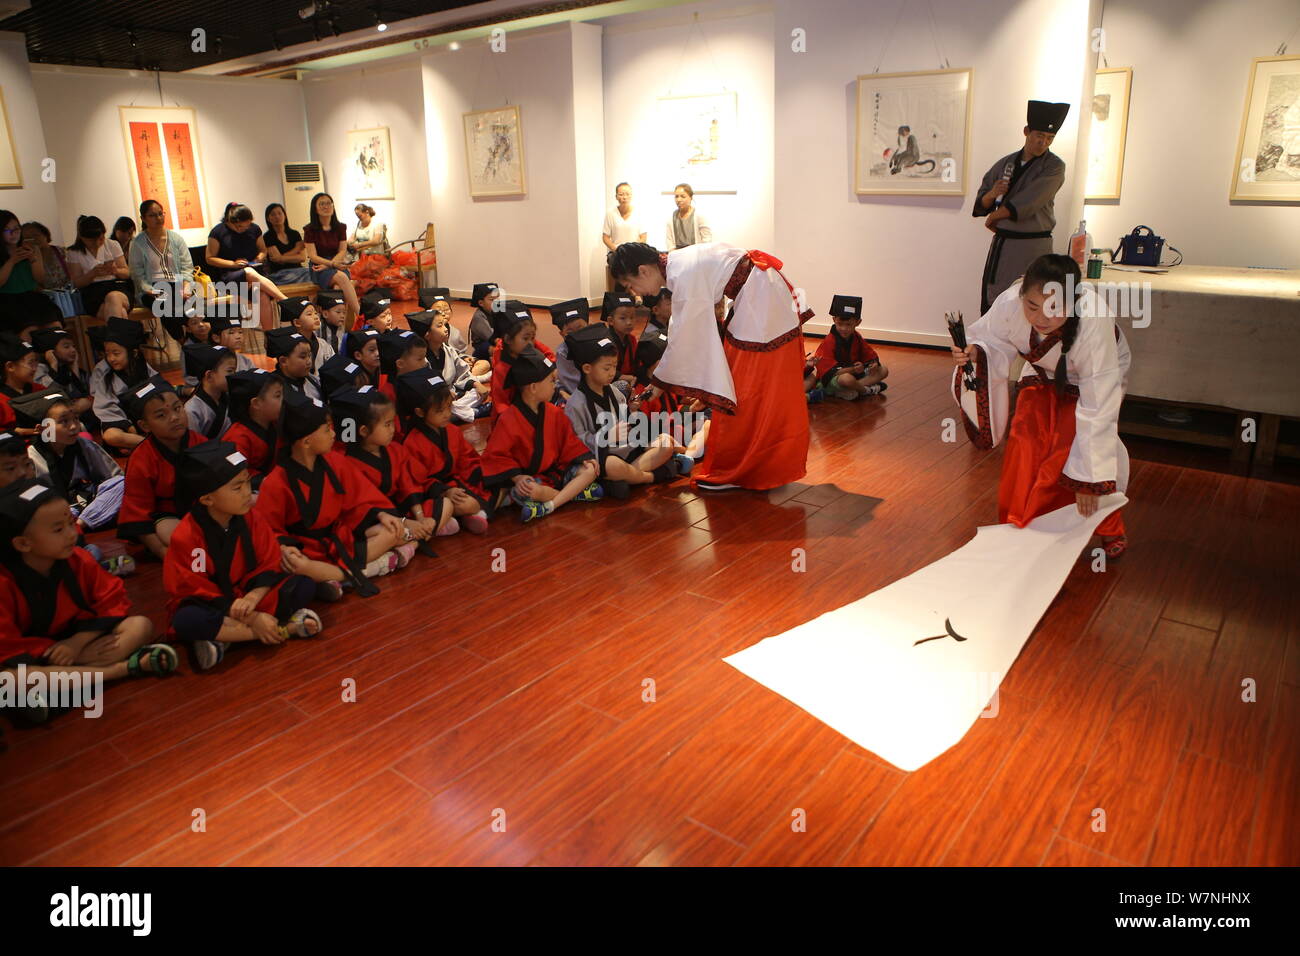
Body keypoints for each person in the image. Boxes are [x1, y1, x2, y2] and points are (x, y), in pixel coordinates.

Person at [950, 254, 1130, 557]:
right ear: (1022, 294)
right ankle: (1020, 523)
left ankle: (1107, 527)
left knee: (1065, 449)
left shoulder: (1093, 319)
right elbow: (988, 340)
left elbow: (1099, 403)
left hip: (1094, 379)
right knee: (1025, 441)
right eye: (1032, 306)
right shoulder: (1010, 302)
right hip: (1042, 371)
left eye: (1054, 309)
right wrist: (973, 353)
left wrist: (1087, 478)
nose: (1040, 318)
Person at [609, 240, 811, 492]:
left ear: (643, 270)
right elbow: (684, 333)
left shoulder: (682, 273)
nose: (636, 293)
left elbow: (685, 336)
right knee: (747, 386)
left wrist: (659, 384)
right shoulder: (679, 265)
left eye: (631, 285)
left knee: (748, 389)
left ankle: (736, 470)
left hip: (761, 300)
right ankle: (750, 465)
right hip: (760, 294)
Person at [0, 479, 175, 727]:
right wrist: (57, 652)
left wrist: (77, 643)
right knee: (10, 680)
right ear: (23, 543)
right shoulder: (4, 581)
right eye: (58, 530)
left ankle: (60, 690)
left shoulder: (79, 559)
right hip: (37, 656)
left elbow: (112, 599)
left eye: (71, 523)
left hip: (78, 643)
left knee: (140, 626)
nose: (73, 534)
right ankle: (124, 668)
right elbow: (6, 644)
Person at [165, 440, 322, 672]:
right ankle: (282, 629)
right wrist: (252, 619)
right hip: (216, 603)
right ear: (207, 499)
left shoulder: (251, 518)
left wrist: (252, 600)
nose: (248, 493)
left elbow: (268, 561)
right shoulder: (188, 536)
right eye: (237, 488)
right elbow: (193, 587)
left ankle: (225, 639)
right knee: (187, 619)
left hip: (247, 597)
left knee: (304, 585)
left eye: (248, 482)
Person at [254, 390, 410, 600]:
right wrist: (285, 548)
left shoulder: (335, 461)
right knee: (297, 565)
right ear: (306, 441)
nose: (334, 434)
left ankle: (335, 577)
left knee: (391, 530)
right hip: (306, 549)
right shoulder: (275, 482)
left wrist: (383, 515)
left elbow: (360, 496)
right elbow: (268, 528)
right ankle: (368, 569)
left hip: (340, 538)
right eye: (327, 429)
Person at [480, 347, 603, 522]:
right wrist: (518, 476)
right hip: (531, 479)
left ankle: (550, 503)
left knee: (590, 469)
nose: (555, 386)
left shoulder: (554, 412)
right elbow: (496, 456)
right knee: (529, 490)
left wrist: (583, 457)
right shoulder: (509, 418)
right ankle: (571, 494)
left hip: (554, 472)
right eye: (552, 381)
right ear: (533, 387)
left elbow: (569, 442)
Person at [563, 324, 685, 499]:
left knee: (665, 442)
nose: (613, 372)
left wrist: (631, 412)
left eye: (614, 366)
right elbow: (577, 442)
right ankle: (650, 476)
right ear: (587, 368)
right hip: (606, 458)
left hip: (629, 452)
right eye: (607, 368)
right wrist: (605, 436)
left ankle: (628, 478)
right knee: (612, 465)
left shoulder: (615, 392)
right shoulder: (576, 404)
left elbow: (630, 428)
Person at [973, 100, 1070, 314]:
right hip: (1003, 244)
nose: (1043, 143)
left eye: (1049, 138)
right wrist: (992, 195)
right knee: (995, 300)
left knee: (1031, 302)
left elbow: (1031, 201)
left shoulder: (1054, 166)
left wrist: (995, 216)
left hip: (1033, 246)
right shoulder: (1005, 163)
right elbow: (981, 204)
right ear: (1026, 131)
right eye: (1039, 136)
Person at [330, 385, 444, 549]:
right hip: (375, 520)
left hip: (398, 511)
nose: (393, 429)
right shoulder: (347, 461)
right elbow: (361, 508)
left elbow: (408, 485)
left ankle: (412, 540)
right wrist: (404, 522)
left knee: (445, 505)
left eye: (393, 423)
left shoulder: (395, 449)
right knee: (387, 532)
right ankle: (414, 541)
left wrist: (419, 518)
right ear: (363, 430)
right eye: (387, 424)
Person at [115, 376, 205, 561]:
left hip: (204, 510)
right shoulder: (142, 458)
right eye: (161, 415)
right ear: (144, 425)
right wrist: (165, 554)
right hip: (166, 516)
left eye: (177, 408)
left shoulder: (200, 443)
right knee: (178, 538)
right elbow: (137, 511)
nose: (174, 417)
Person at [11, 390, 123, 534]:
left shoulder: (84, 445)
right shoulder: (31, 457)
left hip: (88, 505)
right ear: (43, 429)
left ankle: (79, 524)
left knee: (122, 484)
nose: (73, 426)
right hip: (57, 509)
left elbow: (113, 476)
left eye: (75, 418)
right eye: (64, 421)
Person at [395, 371, 491, 533]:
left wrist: (477, 476)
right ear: (419, 412)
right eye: (440, 411)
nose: (448, 414)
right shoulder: (412, 442)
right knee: (470, 503)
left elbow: (467, 459)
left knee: (491, 481)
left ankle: (455, 518)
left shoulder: (452, 431)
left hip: (454, 483)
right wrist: (445, 491)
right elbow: (416, 482)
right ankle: (456, 516)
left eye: (449, 407)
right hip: (431, 494)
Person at [87, 317, 159, 452]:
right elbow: (106, 409)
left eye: (116, 353)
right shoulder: (106, 379)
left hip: (146, 419)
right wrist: (128, 426)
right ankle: (153, 445)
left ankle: (140, 445)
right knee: (111, 436)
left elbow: (158, 391)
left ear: (134, 353)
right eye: (108, 354)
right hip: (122, 423)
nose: (111, 358)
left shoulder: (145, 369)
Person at [406, 307, 490, 423]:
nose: (446, 329)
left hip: (454, 396)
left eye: (445, 325)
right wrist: (444, 393)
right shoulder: (420, 359)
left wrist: (475, 384)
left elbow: (463, 373)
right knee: (441, 412)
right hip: (435, 401)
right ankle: (473, 412)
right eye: (439, 326)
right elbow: (425, 388)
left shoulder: (448, 350)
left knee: (478, 392)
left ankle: (459, 411)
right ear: (427, 335)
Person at [205, 203, 289, 311]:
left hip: (256, 272)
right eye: (239, 226)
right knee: (248, 272)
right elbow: (210, 258)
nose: (243, 229)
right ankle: (286, 301)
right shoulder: (218, 232)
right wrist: (233, 264)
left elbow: (263, 250)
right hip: (231, 274)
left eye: (247, 226)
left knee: (262, 295)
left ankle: (269, 328)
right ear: (230, 221)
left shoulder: (254, 229)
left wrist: (259, 258)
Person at [806, 295, 889, 401]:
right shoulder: (829, 341)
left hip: (856, 375)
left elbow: (869, 355)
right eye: (840, 324)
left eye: (848, 324)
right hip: (836, 379)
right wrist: (853, 369)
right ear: (834, 320)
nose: (844, 329)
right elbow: (829, 372)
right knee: (847, 379)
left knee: (883, 370)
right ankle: (865, 391)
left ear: (858, 322)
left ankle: (851, 390)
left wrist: (874, 364)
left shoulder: (856, 337)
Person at [127, 199, 196, 315]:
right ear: (143, 219)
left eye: (160, 214)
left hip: (177, 284)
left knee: (190, 302)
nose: (158, 218)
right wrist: (150, 290)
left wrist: (186, 285)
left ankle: (186, 332)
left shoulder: (176, 239)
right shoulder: (138, 243)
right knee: (165, 304)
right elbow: (136, 273)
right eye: (152, 215)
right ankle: (180, 333)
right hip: (152, 288)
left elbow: (187, 266)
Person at [489, 305, 555, 424]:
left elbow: (550, 359)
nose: (530, 343)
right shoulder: (501, 369)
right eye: (525, 338)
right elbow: (501, 404)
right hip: (511, 419)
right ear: (508, 339)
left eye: (533, 337)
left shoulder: (532, 348)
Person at [302, 193, 361, 319]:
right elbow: (312, 256)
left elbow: (342, 251)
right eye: (322, 204)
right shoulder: (309, 229)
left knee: (337, 287)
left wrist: (331, 265)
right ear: (315, 208)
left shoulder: (340, 227)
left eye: (328, 203)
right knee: (343, 278)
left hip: (336, 263)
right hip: (318, 267)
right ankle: (360, 316)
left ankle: (335, 326)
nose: (326, 206)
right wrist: (331, 265)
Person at [0, 210, 61, 331]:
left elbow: (40, 279)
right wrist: (12, 261)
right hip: (7, 301)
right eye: (7, 230)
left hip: (32, 297)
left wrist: (33, 258)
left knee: (55, 326)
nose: (14, 233)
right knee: (29, 330)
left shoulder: (31, 249)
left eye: (17, 229)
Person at [65, 215, 133, 321]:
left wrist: (114, 270)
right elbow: (76, 283)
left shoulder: (112, 245)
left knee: (113, 297)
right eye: (92, 241)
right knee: (120, 312)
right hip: (92, 292)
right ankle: (119, 337)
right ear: (82, 238)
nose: (97, 243)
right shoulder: (74, 252)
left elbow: (127, 273)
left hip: (117, 287)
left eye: (101, 239)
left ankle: (114, 337)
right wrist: (93, 273)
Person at [223, 369, 281, 488]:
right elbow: (236, 473)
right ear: (256, 403)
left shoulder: (274, 423)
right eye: (278, 396)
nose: (284, 400)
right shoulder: (237, 437)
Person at [183, 342, 235, 440]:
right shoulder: (191, 410)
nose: (234, 375)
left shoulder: (229, 397)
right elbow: (195, 445)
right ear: (209, 375)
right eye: (230, 371)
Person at [602, 183, 648, 292]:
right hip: (616, 251)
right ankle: (632, 293)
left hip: (634, 251)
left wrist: (634, 249)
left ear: (631, 196)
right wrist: (616, 249)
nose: (624, 197)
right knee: (617, 262)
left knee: (636, 264)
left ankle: (632, 294)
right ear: (616, 196)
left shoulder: (638, 213)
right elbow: (605, 237)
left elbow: (643, 237)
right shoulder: (610, 214)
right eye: (621, 194)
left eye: (627, 194)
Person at [262, 203, 315, 287]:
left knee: (313, 274)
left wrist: (282, 258)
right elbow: (277, 260)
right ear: (268, 219)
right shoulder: (267, 237)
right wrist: (297, 249)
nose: (277, 217)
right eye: (273, 214)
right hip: (279, 274)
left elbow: (302, 258)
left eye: (280, 213)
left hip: (299, 270)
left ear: (285, 215)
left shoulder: (294, 234)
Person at [0, 332, 44, 431]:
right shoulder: (1, 400)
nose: (35, 368)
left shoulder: (40, 390)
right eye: (30, 362)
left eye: (35, 361)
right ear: (10, 366)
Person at [549, 297, 590, 402]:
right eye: (570, 332)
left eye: (580, 329)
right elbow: (570, 382)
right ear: (562, 334)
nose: (576, 335)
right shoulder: (563, 352)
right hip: (571, 390)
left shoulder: (594, 344)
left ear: (589, 327)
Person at [21, 222, 71, 289]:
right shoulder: (25, 259)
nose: (33, 240)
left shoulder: (61, 251)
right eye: (27, 238)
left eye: (36, 235)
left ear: (45, 235)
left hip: (67, 293)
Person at [663, 184, 713, 252]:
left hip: (696, 255)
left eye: (683, 196)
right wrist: (674, 254)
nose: (679, 199)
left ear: (690, 197)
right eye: (676, 196)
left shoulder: (699, 216)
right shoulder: (671, 218)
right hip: (677, 255)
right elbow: (669, 241)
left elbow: (707, 240)